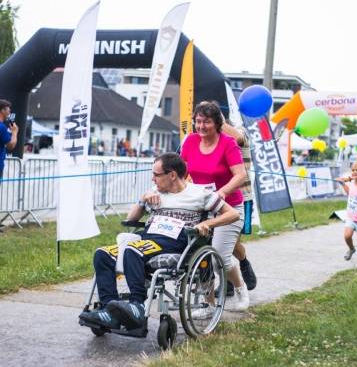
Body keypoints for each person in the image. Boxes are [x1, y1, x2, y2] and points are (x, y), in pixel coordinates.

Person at [79, 153, 239, 330]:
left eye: (156, 174)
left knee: (133, 250)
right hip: (148, 238)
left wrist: (207, 223)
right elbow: (131, 219)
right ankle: (108, 310)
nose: (152, 179)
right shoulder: (155, 193)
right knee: (102, 254)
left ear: (172, 175)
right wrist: (143, 200)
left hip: (176, 240)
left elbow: (233, 214)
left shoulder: (200, 194)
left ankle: (137, 307)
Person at [181, 101, 249, 311]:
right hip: (201, 206)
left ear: (217, 123)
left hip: (228, 208)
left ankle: (240, 288)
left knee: (220, 256)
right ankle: (207, 302)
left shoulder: (228, 143)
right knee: (198, 256)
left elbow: (240, 175)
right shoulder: (190, 141)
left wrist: (222, 192)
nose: (201, 126)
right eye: (198, 121)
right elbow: (182, 173)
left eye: (206, 122)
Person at [220, 116, 257, 296]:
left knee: (232, 243)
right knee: (215, 241)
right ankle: (226, 283)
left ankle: (244, 263)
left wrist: (217, 122)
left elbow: (239, 137)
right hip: (218, 198)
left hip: (242, 197)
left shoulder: (240, 133)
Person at [0, 99, 18, 179]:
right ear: (2, 110)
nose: (9, 112)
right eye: (8, 110)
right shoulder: (2, 127)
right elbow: (11, 145)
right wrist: (14, 132)